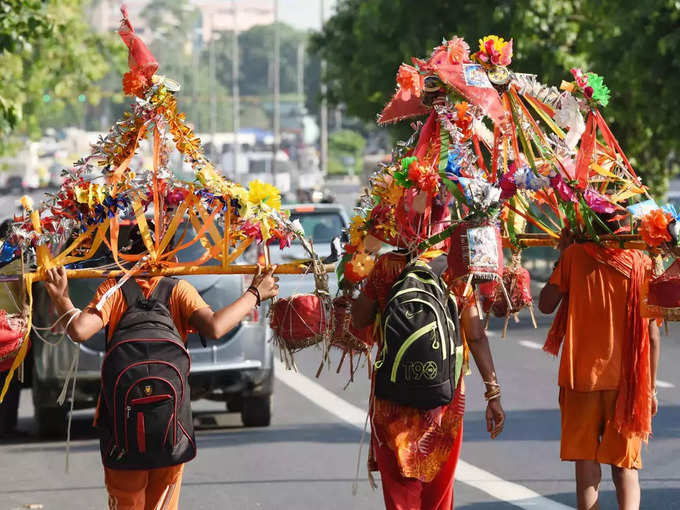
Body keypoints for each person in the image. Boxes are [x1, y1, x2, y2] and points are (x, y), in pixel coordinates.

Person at [43, 225, 280, 510]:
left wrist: (62, 298)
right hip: (171, 424)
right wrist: (255, 293)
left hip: (121, 424)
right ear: (170, 256)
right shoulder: (180, 290)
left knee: (127, 502)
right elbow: (216, 327)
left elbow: (80, 330)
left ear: (127, 254)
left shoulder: (114, 289)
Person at [352, 215, 505, 510]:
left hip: (392, 399)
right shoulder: (456, 270)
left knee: (401, 496)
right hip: (444, 400)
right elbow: (475, 334)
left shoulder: (386, 267)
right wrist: (493, 394)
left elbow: (358, 320)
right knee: (438, 497)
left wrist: (363, 266)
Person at [539, 229, 660, 510]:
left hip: (581, 378)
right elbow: (652, 337)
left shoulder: (573, 256)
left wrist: (562, 257)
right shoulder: (641, 262)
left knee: (586, 468)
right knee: (625, 468)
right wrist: (650, 390)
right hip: (628, 383)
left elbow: (545, 305)